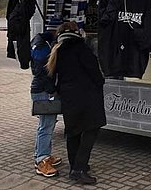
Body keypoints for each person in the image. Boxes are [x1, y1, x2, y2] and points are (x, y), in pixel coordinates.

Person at [46, 22, 106, 185]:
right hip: (86, 97)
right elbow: (95, 72)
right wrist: (100, 82)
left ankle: (75, 166)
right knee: (91, 130)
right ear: (77, 32)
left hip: (68, 97)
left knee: (73, 131)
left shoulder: (58, 49)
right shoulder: (82, 48)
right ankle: (79, 169)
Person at [30, 31, 62, 177]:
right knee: (46, 126)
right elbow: (41, 73)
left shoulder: (40, 44)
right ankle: (41, 160)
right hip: (43, 92)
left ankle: (43, 155)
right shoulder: (43, 48)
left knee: (46, 125)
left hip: (42, 91)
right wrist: (52, 91)